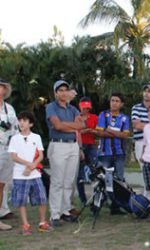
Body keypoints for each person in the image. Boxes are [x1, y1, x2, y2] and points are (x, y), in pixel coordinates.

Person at [46, 80, 86, 227]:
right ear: (56, 93)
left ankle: (65, 210)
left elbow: (81, 125)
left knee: (69, 181)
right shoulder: (51, 107)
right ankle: (55, 214)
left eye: (65, 90)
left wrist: (66, 126)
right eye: (60, 90)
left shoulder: (73, 109)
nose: (63, 92)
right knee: (57, 181)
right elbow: (57, 125)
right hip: (58, 145)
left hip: (73, 146)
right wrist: (71, 127)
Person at [8, 111, 52, 235]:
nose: (21, 123)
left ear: (31, 124)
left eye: (25, 121)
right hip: (20, 174)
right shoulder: (15, 138)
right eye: (20, 120)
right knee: (21, 201)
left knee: (42, 198)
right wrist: (28, 164)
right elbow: (14, 156)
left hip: (35, 173)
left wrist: (33, 166)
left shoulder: (36, 137)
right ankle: (25, 225)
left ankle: (42, 223)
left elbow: (41, 155)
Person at [96, 92, 130, 215]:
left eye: (117, 101)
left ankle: (116, 206)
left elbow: (125, 135)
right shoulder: (103, 115)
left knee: (119, 180)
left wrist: (109, 130)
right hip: (105, 153)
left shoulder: (125, 118)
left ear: (121, 104)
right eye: (112, 100)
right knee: (103, 179)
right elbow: (99, 132)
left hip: (119, 153)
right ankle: (97, 205)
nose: (114, 103)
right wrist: (117, 133)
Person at [131, 84, 150, 199]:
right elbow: (136, 125)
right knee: (144, 171)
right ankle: (147, 200)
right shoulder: (136, 107)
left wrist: (145, 126)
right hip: (141, 142)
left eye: (149, 91)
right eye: (145, 91)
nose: (146, 93)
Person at [0, 78, 18, 231]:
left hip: (6, 149)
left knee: (1, 185)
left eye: (2, 86)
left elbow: (15, 129)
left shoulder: (9, 108)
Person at [76, 97, 98, 205]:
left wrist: (91, 131)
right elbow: (76, 131)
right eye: (84, 108)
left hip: (91, 145)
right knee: (80, 174)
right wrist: (86, 130)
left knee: (95, 171)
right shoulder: (76, 117)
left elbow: (98, 131)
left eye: (87, 108)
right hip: (79, 145)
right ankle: (82, 198)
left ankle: (96, 199)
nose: (85, 110)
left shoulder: (94, 117)